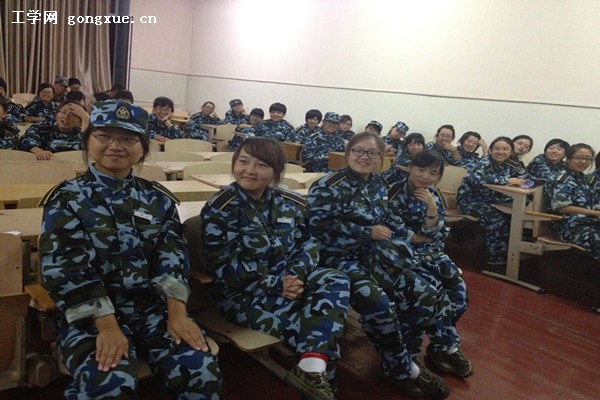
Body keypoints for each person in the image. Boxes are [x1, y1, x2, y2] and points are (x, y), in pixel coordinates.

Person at [39, 100, 222, 399]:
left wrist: (178, 313)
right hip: (89, 317)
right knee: (109, 383)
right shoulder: (67, 199)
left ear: (142, 148)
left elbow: (173, 257)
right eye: (104, 136)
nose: (116, 146)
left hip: (152, 309)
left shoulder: (157, 198)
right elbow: (67, 269)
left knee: (200, 369)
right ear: (88, 140)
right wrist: (107, 326)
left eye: (128, 139)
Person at [201, 137, 350, 400]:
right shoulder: (221, 209)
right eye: (243, 162)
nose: (249, 170)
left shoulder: (288, 201)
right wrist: (277, 284)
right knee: (321, 323)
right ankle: (320, 377)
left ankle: (312, 370)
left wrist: (296, 275)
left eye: (261, 165)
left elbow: (308, 243)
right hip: (244, 296)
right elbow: (227, 270)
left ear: (276, 172)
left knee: (336, 279)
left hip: (290, 282)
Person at [306, 132, 450, 399]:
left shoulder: (379, 183)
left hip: (376, 256)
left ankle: (399, 360)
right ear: (348, 153)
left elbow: (388, 220)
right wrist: (366, 232)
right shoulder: (328, 185)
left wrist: (411, 235)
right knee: (379, 303)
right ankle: (402, 369)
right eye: (358, 151)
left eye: (372, 153)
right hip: (338, 258)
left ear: (381, 158)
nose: (364, 157)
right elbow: (317, 228)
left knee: (425, 294)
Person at [387, 150, 473, 379]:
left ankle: (437, 350)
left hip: (433, 254)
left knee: (459, 295)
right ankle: (447, 347)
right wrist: (419, 235)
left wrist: (432, 209)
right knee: (434, 295)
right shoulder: (393, 193)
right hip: (404, 256)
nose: (426, 176)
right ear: (410, 168)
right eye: (421, 170)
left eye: (433, 173)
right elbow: (392, 231)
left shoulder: (433, 194)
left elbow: (439, 233)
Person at [457, 137, 528, 265]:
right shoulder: (484, 162)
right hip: (471, 202)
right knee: (497, 219)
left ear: (511, 152)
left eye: (505, 149)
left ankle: (509, 255)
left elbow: (523, 178)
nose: (500, 152)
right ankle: (495, 260)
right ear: (490, 150)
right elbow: (477, 179)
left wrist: (520, 182)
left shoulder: (511, 164)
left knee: (514, 218)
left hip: (493, 202)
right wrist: (507, 180)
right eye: (497, 149)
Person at [545, 143, 600, 260]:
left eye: (588, 159)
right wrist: (594, 213)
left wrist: (596, 210)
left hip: (590, 223)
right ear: (568, 158)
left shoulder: (585, 179)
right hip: (569, 226)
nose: (583, 162)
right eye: (579, 158)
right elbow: (563, 207)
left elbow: (593, 203)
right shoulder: (562, 179)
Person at [20, 100, 89, 159]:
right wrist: (38, 151)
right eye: (63, 112)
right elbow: (26, 140)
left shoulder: (81, 130)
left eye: (73, 115)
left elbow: (89, 148)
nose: (66, 117)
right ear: (56, 114)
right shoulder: (43, 126)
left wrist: (85, 118)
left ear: (80, 120)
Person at [229, 102, 295, 151]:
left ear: (283, 114)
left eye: (279, 113)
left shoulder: (288, 128)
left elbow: (289, 147)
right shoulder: (264, 123)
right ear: (270, 113)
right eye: (273, 112)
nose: (275, 114)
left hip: (275, 154)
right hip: (257, 151)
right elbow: (249, 131)